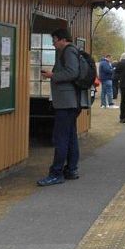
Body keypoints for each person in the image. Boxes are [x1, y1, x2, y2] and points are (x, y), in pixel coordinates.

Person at [38, 28, 89, 187]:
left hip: (66, 102)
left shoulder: (68, 52)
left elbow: (72, 72)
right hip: (71, 101)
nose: (53, 44)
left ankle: (56, 173)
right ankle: (71, 169)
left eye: (54, 41)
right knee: (70, 136)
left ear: (62, 39)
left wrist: (53, 76)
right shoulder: (72, 51)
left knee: (61, 137)